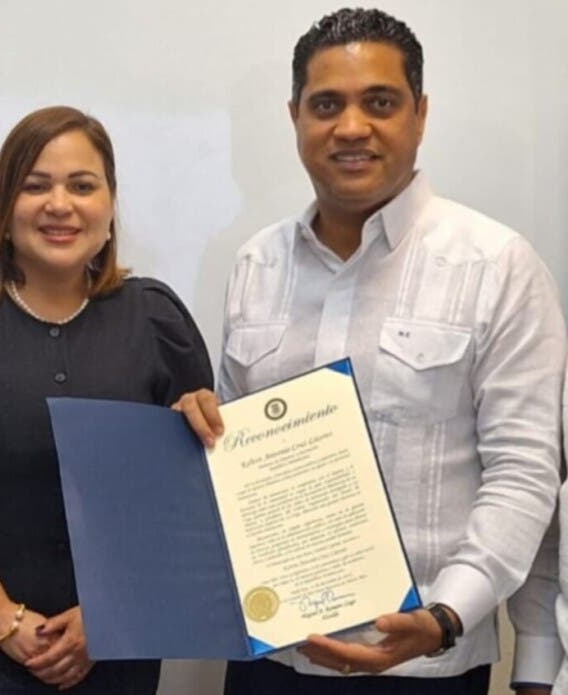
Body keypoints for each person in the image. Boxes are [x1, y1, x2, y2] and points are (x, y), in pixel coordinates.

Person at [173, 8, 566, 695]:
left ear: (419, 113)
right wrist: (200, 425)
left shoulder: (498, 265)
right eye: (327, 105)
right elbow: (237, 460)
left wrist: (446, 616)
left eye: (379, 102)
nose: (351, 127)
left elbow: (524, 471)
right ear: (296, 116)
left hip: (425, 664)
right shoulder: (255, 264)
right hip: (271, 661)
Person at [0, 105, 213, 693]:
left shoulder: (157, 321)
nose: (59, 204)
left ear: (110, 206)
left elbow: (186, 501)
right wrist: (3, 620)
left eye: (82, 186)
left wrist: (108, 617)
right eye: (35, 185)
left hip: (114, 647)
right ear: (3, 205)